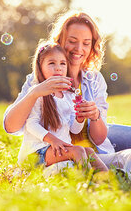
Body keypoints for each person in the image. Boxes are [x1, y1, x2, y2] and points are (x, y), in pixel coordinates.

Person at [4, 11, 131, 179]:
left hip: (93, 156)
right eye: (72, 41)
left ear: (92, 47)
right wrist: (34, 93)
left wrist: (94, 116)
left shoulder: (94, 80)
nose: (79, 49)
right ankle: (101, 184)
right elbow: (11, 127)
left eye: (86, 43)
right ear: (60, 41)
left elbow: (97, 139)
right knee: (70, 169)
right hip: (56, 159)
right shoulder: (39, 80)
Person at [19, 42, 108, 171]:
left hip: (58, 149)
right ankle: (89, 183)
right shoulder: (37, 92)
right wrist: (53, 140)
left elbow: (75, 130)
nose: (58, 68)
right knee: (77, 151)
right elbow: (31, 124)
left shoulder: (68, 96)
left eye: (62, 63)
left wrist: (79, 118)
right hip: (36, 152)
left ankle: (109, 180)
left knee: (88, 151)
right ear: (40, 67)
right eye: (51, 63)